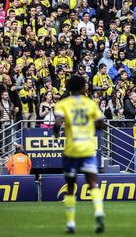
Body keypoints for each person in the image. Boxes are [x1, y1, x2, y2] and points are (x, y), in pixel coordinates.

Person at [53, 75, 106, 234]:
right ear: (83, 88)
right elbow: (102, 124)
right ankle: (98, 211)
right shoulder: (90, 103)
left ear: (69, 88)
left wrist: (56, 134)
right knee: (92, 183)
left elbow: (57, 123)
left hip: (71, 149)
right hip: (88, 148)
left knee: (70, 187)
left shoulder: (63, 104)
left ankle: (70, 223)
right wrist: (92, 123)